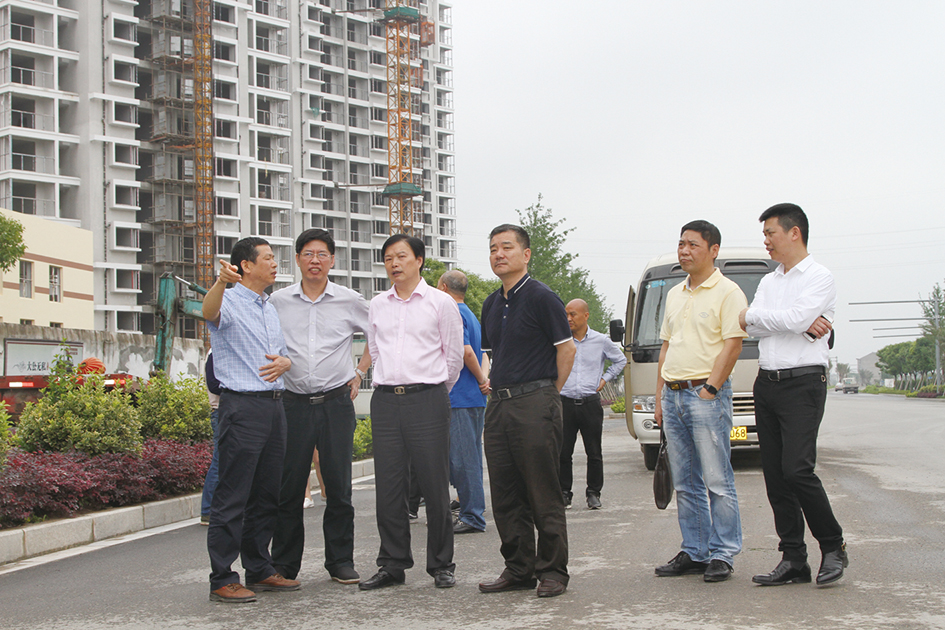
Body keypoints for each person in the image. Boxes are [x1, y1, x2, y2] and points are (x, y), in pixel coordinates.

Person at [738, 203, 848, 587]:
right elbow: (752, 325)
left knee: (797, 470)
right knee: (775, 476)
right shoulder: (769, 281)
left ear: (793, 233)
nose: (766, 241)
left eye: (770, 233)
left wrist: (770, 319)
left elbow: (777, 319)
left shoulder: (820, 276)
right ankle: (793, 558)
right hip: (766, 382)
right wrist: (790, 321)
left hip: (803, 383)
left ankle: (833, 546)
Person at [478, 224, 576, 599]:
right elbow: (492, 355)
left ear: (526, 254)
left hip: (536, 401)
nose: (499, 254)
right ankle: (519, 567)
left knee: (542, 490)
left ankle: (552, 570)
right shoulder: (491, 304)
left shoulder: (542, 297)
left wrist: (549, 393)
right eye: (493, 249)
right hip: (499, 405)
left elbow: (566, 350)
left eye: (506, 247)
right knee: (505, 493)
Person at [361, 233, 463, 591]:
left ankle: (441, 564)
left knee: (434, 484)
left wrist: (432, 391)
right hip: (386, 400)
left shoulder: (441, 302)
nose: (394, 263)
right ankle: (392, 564)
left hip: (427, 398)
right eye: (388, 257)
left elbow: (453, 357)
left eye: (401, 256)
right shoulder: (377, 305)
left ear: (419, 260)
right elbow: (375, 350)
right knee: (389, 486)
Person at [269, 228, 371, 586]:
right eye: (308, 254)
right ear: (297, 259)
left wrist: (360, 372)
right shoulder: (277, 301)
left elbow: (377, 333)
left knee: (339, 487)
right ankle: (284, 564)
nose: (315, 260)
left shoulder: (349, 300)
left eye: (322, 254)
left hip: (335, 403)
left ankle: (340, 561)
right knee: (289, 488)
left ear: (332, 260)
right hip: (292, 404)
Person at [203, 237, 296, 603]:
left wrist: (287, 362)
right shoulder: (227, 298)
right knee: (233, 495)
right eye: (268, 258)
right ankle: (222, 577)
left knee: (267, 494)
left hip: (274, 406)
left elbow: (282, 356)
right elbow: (208, 312)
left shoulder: (268, 307)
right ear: (246, 265)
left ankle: (259, 568)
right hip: (241, 407)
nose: (274, 264)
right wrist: (220, 282)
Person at [654, 220, 747, 583]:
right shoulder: (675, 293)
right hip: (673, 394)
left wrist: (711, 388)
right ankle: (695, 550)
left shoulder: (728, 291)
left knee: (716, 479)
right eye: (681, 244)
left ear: (713, 250)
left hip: (705, 395)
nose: (684, 251)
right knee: (684, 481)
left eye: (693, 244)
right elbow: (666, 346)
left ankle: (723, 552)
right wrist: (660, 397)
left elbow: (733, 345)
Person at [559, 299, 626, 510]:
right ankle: (564, 493)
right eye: (566, 314)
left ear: (585, 315)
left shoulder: (601, 340)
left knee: (594, 451)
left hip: (590, 403)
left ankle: (593, 493)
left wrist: (605, 379)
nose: (568, 318)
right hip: (565, 402)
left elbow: (621, 360)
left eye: (573, 314)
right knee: (563, 452)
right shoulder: (561, 340)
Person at [436, 270, 490, 534]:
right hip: (474, 398)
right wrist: (484, 380)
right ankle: (471, 508)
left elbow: (466, 352)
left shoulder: (453, 313)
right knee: (469, 457)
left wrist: (480, 379)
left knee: (463, 460)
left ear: (444, 288)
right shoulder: (470, 314)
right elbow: (484, 353)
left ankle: (472, 516)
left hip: (460, 396)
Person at [200, 351, 221, 525]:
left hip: (226, 411)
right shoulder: (215, 353)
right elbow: (214, 385)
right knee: (220, 460)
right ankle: (207, 510)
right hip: (221, 411)